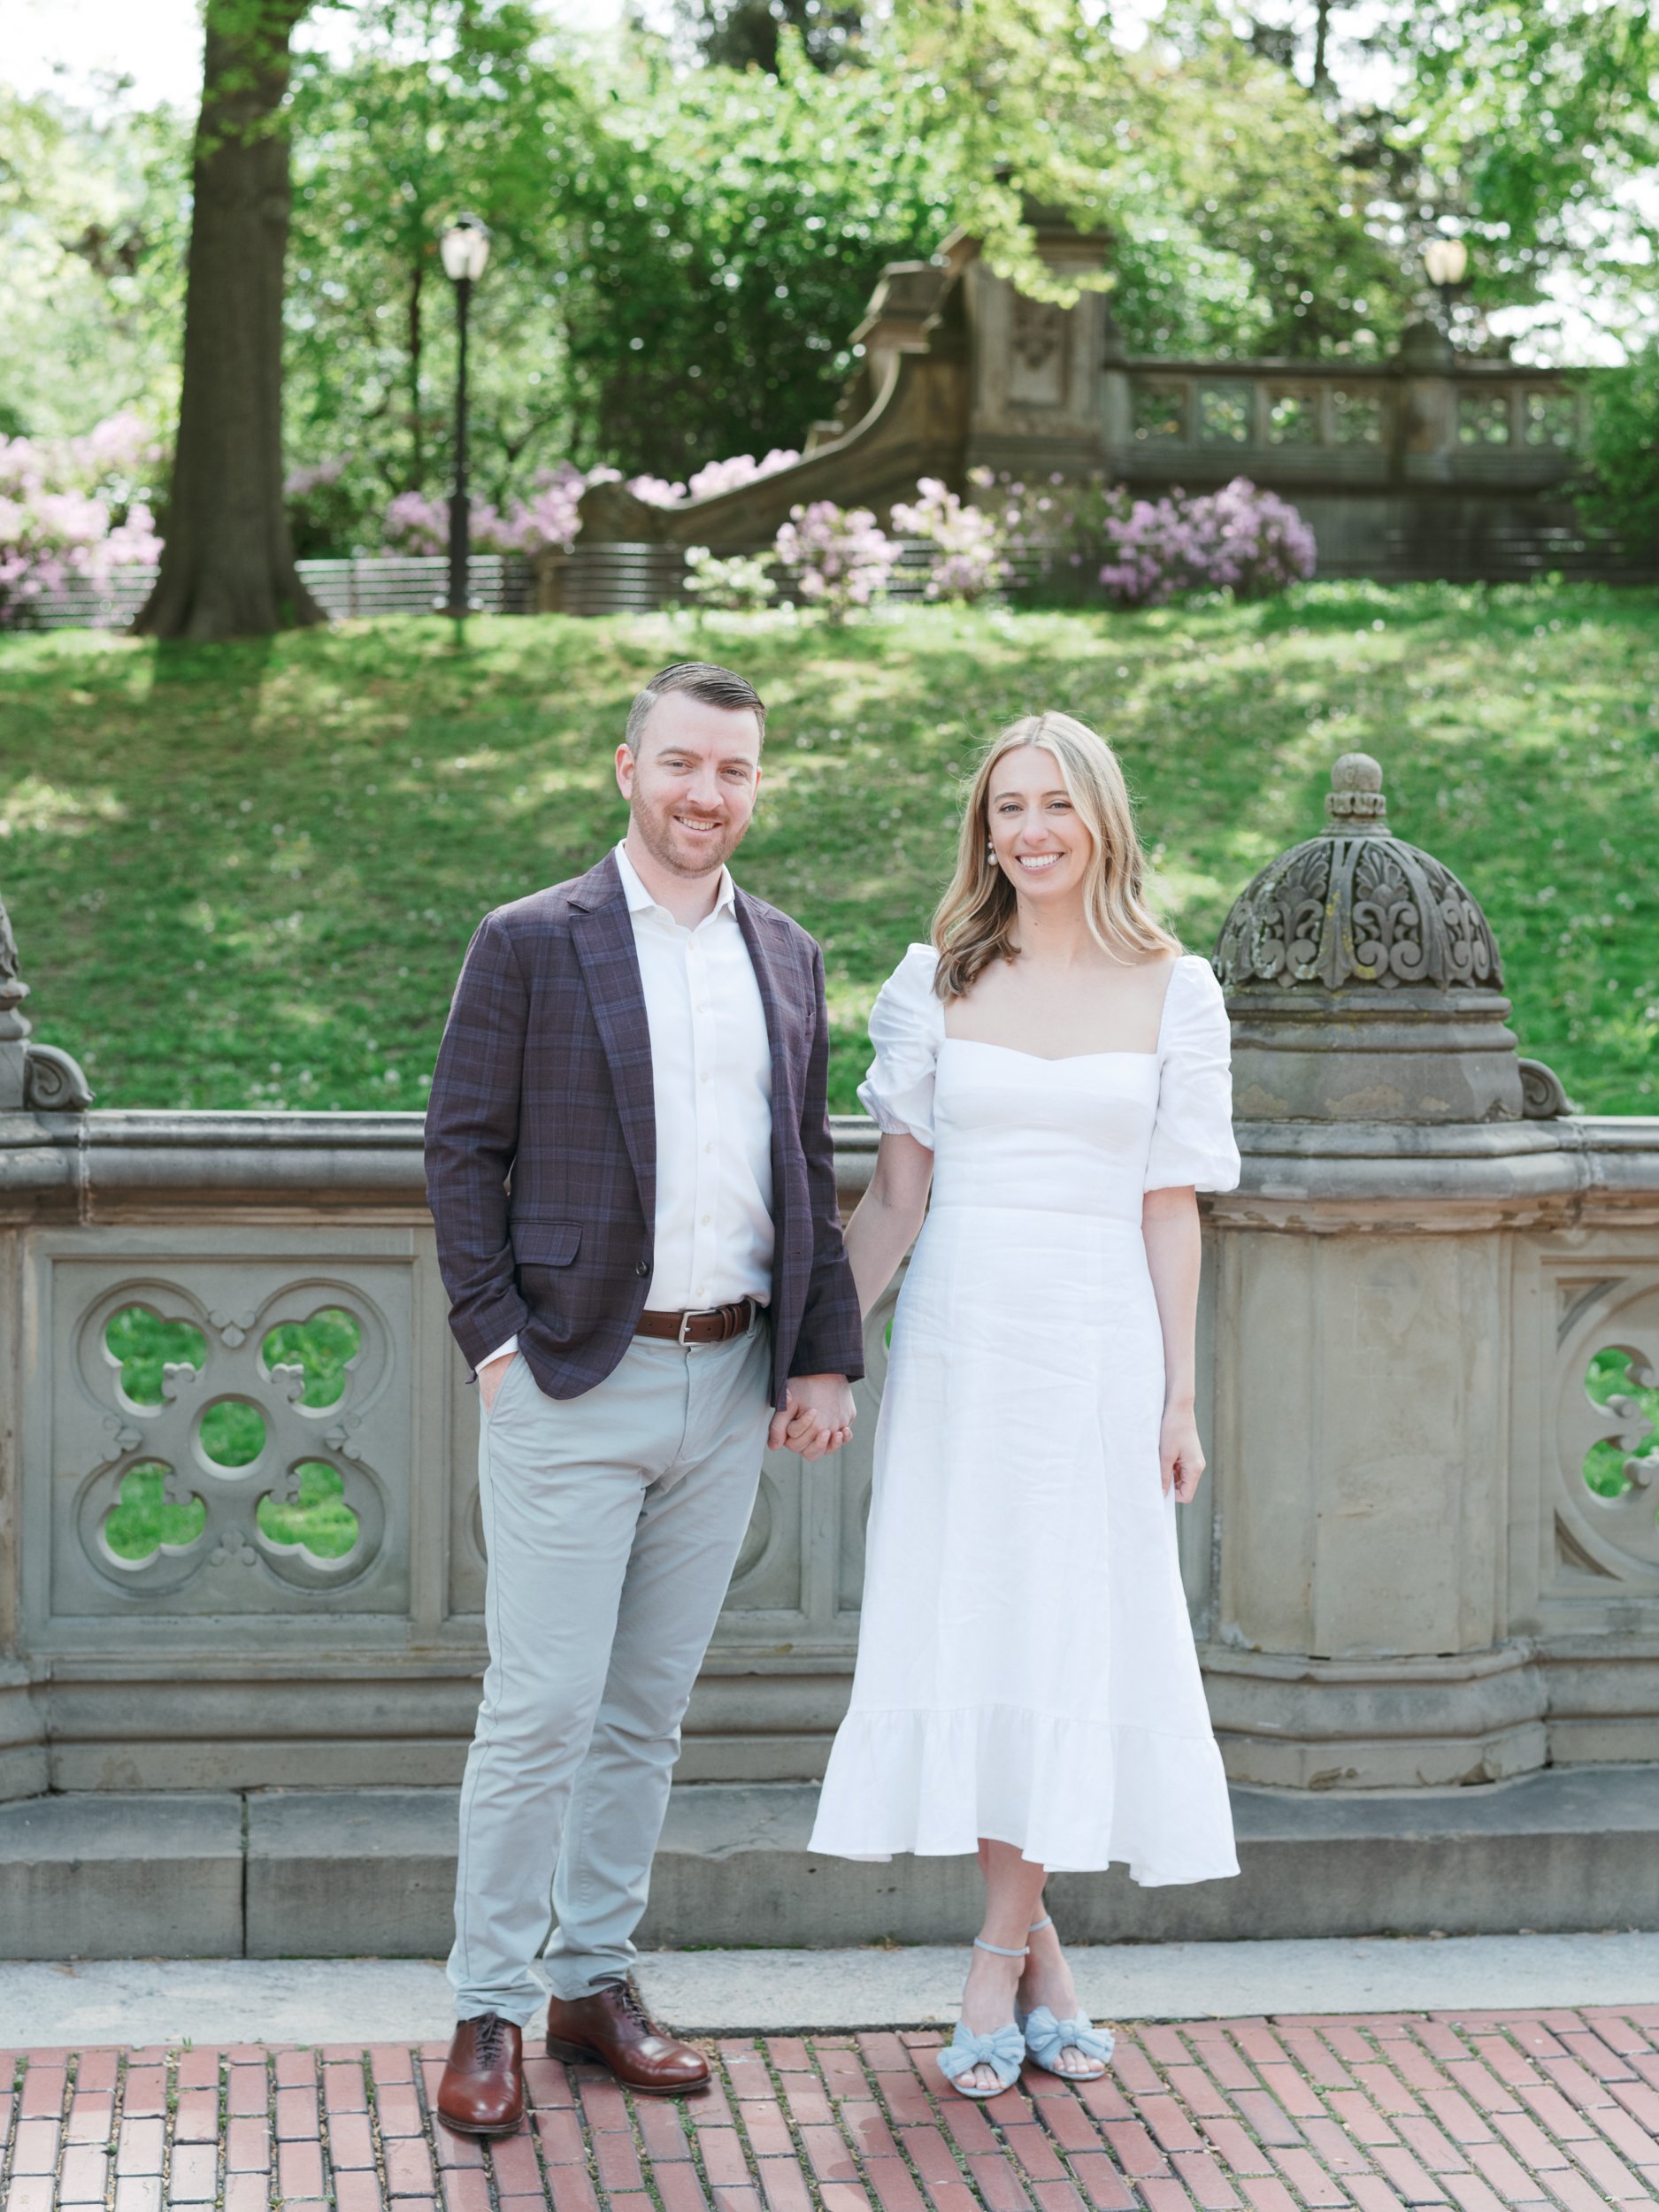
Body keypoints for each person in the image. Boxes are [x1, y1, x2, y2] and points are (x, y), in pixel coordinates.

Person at [425, 660, 861, 2134]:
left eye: (734, 772)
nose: (706, 795)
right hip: (569, 1377)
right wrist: (495, 1346)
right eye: (682, 765)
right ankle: (485, 2006)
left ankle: (592, 1985)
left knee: (646, 1714)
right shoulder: (531, 942)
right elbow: (457, 1153)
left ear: (757, 785)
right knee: (540, 1707)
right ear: (627, 769)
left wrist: (816, 1352)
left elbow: (803, 1167)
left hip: (728, 1380)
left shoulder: (788, 955)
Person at [810, 711, 1240, 2097]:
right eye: (1007, 810)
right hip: (962, 1347)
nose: (1032, 831)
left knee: (1064, 1637)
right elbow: (897, 1196)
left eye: (1055, 804)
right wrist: (818, 1348)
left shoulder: (1178, 989)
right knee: (984, 1630)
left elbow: (1171, 1208)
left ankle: (996, 1965)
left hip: (1099, 1351)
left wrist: (1179, 1392)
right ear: (982, 830)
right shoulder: (933, 980)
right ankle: (1038, 1956)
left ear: (1101, 818)